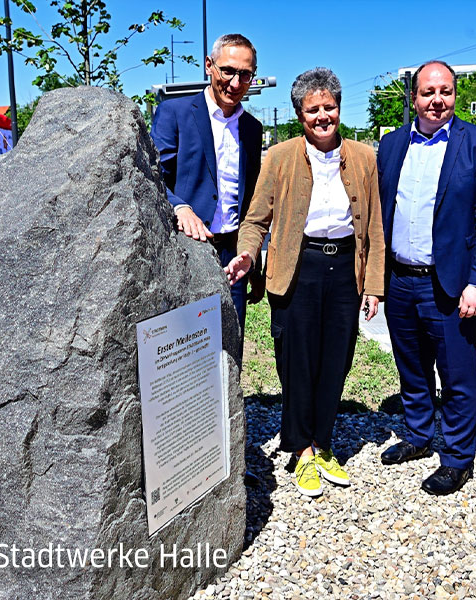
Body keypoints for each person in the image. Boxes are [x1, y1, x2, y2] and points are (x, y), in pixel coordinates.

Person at [225, 68, 385, 497]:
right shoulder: (279, 156)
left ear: (339, 108)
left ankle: (323, 442)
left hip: (345, 267)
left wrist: (373, 285)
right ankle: (300, 451)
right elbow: (256, 217)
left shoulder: (365, 157)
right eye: (312, 110)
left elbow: (375, 228)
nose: (322, 116)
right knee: (296, 361)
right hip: (299, 267)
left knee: (337, 360)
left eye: (328, 107)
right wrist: (247, 253)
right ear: (299, 113)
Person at [377, 61, 476, 496]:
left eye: (446, 92)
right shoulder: (393, 145)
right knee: (411, 367)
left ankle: (456, 458)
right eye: (428, 92)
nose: (437, 100)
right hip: (400, 280)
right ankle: (417, 436)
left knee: (457, 375)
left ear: (454, 94)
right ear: (413, 97)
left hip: (450, 285)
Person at [151, 33, 264, 344]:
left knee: (231, 341)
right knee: (186, 345)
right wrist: (179, 206)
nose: (236, 82)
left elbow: (253, 198)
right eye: (228, 70)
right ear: (209, 66)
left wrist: (255, 263)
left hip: (233, 254)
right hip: (187, 247)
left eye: (245, 74)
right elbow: (152, 175)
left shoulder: (253, 129)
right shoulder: (174, 113)